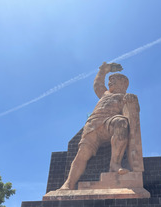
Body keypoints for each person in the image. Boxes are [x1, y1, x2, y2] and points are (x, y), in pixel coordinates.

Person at [60, 62, 144, 190]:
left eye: (113, 81)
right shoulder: (105, 94)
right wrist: (104, 70)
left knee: (121, 123)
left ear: (122, 84)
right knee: (82, 154)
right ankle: (68, 184)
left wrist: (133, 102)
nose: (110, 83)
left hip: (109, 122)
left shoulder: (124, 97)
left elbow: (133, 114)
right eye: (109, 81)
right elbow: (97, 84)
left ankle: (115, 164)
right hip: (93, 125)